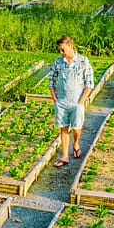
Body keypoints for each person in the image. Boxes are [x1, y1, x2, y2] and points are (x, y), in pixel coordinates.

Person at [48, 35, 94, 167]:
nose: (61, 53)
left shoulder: (83, 61)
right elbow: (51, 80)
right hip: (62, 100)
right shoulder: (58, 62)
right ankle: (64, 156)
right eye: (60, 50)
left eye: (63, 50)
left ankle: (75, 143)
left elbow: (89, 84)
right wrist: (54, 97)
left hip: (76, 101)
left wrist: (81, 102)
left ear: (70, 46)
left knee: (76, 128)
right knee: (63, 129)